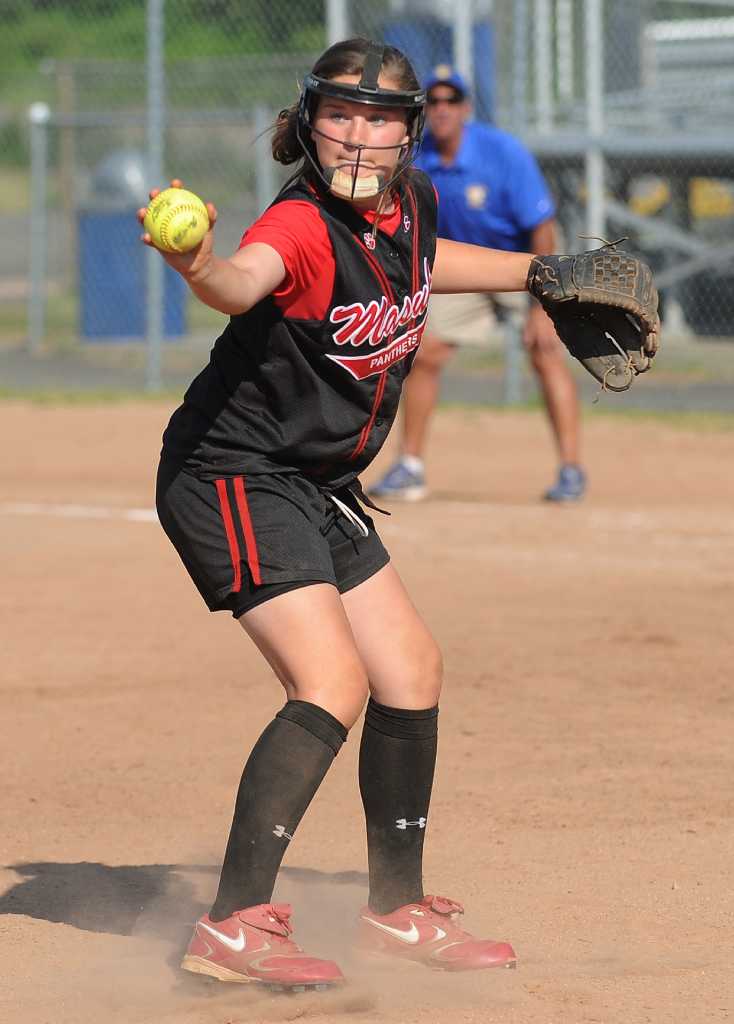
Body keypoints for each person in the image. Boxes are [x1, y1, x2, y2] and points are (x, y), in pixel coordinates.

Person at [142, 38, 550, 991]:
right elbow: (241, 281)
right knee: (331, 681)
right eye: (342, 115)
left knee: (410, 669)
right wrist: (196, 262)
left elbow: (426, 261)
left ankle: (396, 911)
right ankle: (233, 925)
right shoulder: (298, 224)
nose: (360, 136)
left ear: (412, 133)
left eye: (382, 119)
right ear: (310, 121)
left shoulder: (413, 204)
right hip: (232, 473)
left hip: (316, 476)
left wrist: (539, 273)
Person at [370, 66, 586, 503]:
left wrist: (541, 306)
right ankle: (410, 465)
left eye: (452, 100)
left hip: (521, 268)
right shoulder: (417, 157)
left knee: (544, 352)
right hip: (464, 271)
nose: (443, 108)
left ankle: (570, 469)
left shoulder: (503, 153)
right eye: (434, 101)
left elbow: (541, 227)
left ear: (466, 107)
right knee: (424, 351)